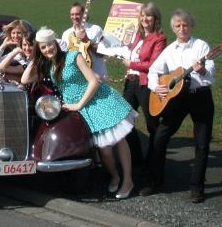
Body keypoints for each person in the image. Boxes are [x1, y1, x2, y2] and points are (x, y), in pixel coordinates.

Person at [22, 28, 137, 199]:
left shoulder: (73, 56)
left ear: (56, 42)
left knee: (118, 140)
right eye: (43, 48)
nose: (48, 50)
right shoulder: (47, 65)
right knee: (104, 149)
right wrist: (35, 59)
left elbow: (93, 81)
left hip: (99, 100)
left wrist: (78, 104)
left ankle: (128, 181)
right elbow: (25, 79)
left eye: (50, 45)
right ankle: (115, 176)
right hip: (81, 108)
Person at [139, 9, 216, 204]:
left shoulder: (201, 46)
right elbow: (155, 71)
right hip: (177, 99)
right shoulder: (170, 49)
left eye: (185, 25)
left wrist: (203, 69)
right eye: (178, 26)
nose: (182, 28)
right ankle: (156, 182)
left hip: (200, 97)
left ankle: (196, 188)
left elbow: (210, 76)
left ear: (191, 26)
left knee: (201, 143)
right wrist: (157, 87)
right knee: (160, 136)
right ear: (173, 28)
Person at [119, 2, 166, 170]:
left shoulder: (159, 38)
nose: (145, 18)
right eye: (143, 15)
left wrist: (131, 64)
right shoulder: (137, 36)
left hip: (146, 84)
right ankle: (136, 158)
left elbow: (154, 64)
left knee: (152, 124)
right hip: (130, 82)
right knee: (124, 120)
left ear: (155, 19)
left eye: (149, 16)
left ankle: (153, 161)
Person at [62, 2, 107, 80]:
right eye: (72, 14)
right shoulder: (66, 34)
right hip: (77, 80)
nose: (74, 17)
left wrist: (87, 40)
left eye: (77, 14)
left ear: (84, 15)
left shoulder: (95, 30)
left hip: (97, 77)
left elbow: (102, 54)